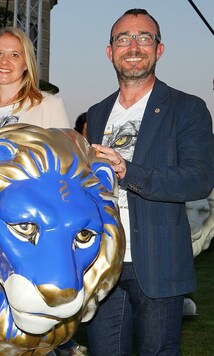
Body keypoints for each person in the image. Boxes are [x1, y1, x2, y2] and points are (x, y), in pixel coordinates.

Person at [85, 8, 214, 355]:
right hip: (104, 264)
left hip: (159, 264)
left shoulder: (187, 108)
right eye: (123, 38)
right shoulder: (97, 113)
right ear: (110, 51)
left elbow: (199, 178)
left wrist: (128, 172)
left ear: (159, 49)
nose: (134, 46)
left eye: (144, 38)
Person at [0, 27, 69, 139]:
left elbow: (66, 155)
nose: (4, 61)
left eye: (14, 55)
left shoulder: (50, 107)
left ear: (26, 64)